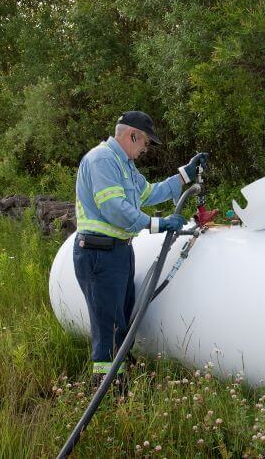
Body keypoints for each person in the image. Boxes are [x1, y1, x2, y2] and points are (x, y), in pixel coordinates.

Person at [73, 110, 207, 388]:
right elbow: (114, 209)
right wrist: (158, 223)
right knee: (108, 325)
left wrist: (185, 174)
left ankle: (118, 381)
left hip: (119, 252)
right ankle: (107, 391)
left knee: (122, 321)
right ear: (132, 135)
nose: (145, 149)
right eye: (145, 142)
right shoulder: (102, 160)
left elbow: (150, 193)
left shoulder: (125, 165)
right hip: (99, 254)